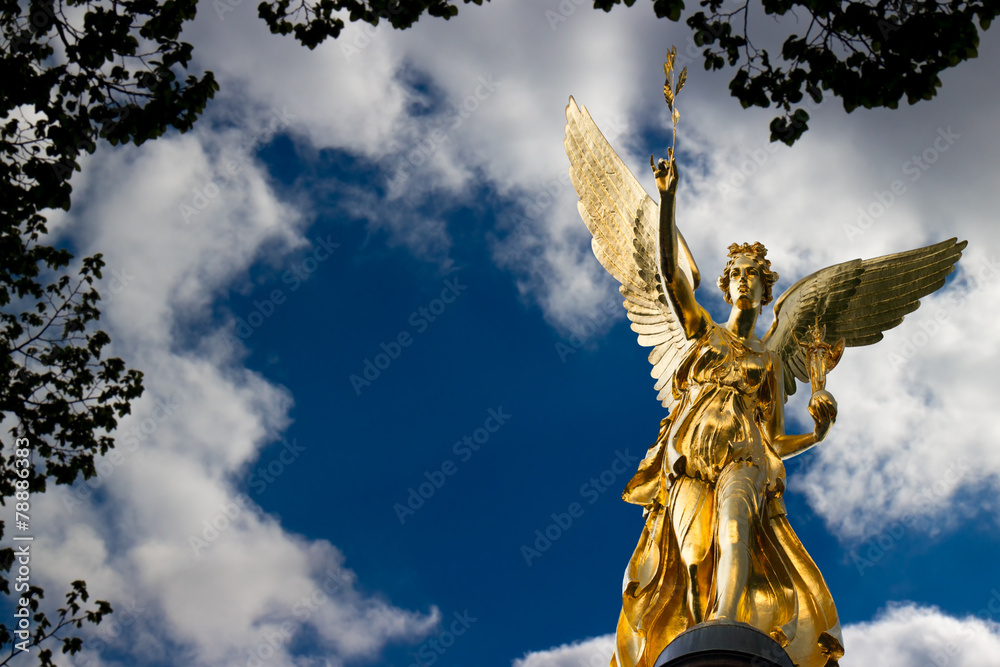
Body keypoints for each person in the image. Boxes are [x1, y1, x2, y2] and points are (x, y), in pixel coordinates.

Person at [609, 157, 844, 667]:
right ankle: (708, 637)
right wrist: (667, 197)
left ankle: (725, 622)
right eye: (734, 275)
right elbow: (671, 276)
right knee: (694, 559)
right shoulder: (703, 332)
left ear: (765, 289)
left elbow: (774, 441)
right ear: (725, 285)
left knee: (736, 530)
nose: (742, 282)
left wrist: (817, 436)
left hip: (745, 456)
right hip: (687, 461)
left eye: (752, 277)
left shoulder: (768, 359)